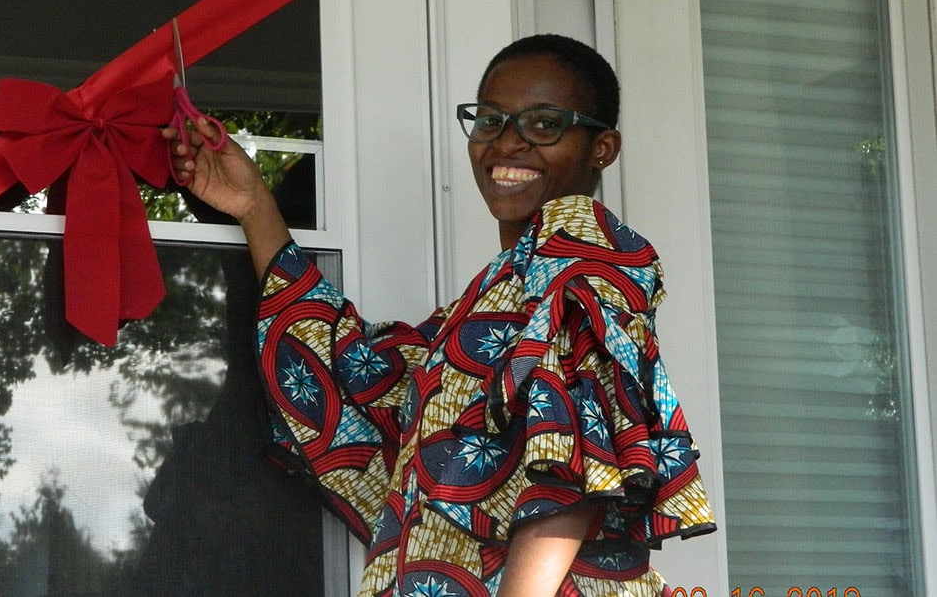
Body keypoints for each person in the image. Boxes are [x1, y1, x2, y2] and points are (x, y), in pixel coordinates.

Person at [165, 34, 716, 597]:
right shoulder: (489, 304)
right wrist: (254, 204)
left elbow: (570, 460)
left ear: (603, 148)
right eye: (491, 120)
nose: (509, 143)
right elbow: (357, 379)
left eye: (544, 124)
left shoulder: (583, 246)